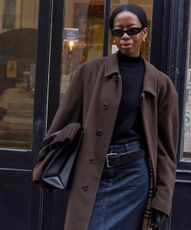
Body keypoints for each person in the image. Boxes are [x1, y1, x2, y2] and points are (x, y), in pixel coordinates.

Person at [33, 3, 179, 230]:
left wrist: (163, 197)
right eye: (118, 31)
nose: (125, 37)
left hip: (134, 176)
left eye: (132, 30)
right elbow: (63, 120)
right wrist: (45, 164)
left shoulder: (161, 84)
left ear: (144, 33)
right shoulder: (89, 72)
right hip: (93, 170)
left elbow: (166, 149)